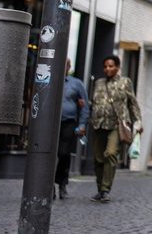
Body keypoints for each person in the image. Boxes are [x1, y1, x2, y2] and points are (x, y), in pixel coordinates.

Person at [90, 55, 142, 203]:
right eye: (105, 66)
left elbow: (132, 103)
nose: (107, 69)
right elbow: (94, 102)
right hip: (98, 123)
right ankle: (100, 189)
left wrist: (138, 121)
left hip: (116, 125)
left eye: (111, 66)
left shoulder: (125, 82)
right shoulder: (99, 83)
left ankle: (106, 190)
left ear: (118, 67)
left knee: (111, 153)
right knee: (98, 158)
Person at [55, 59, 89, 199]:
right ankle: (48, 186)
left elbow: (85, 106)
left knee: (63, 153)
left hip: (68, 123)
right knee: (48, 155)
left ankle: (62, 183)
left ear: (69, 67)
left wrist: (81, 125)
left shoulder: (76, 84)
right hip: (50, 124)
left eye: (66, 65)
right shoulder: (51, 80)